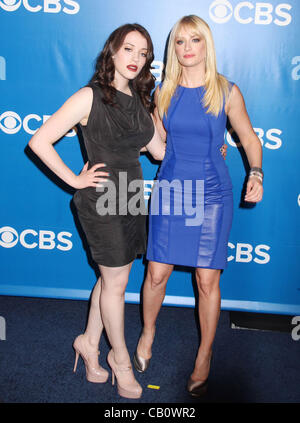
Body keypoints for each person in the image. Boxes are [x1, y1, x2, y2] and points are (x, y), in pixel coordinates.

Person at [28, 23, 167, 400]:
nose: (136, 58)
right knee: (117, 283)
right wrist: (74, 180)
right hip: (102, 198)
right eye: (129, 49)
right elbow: (39, 141)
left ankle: (88, 342)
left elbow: (158, 152)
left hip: (131, 195)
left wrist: (161, 113)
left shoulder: (141, 100)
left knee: (111, 279)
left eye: (144, 53)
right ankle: (120, 360)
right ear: (112, 52)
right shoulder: (89, 96)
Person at [133, 15, 264, 397]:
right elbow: (156, 145)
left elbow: (251, 140)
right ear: (172, 48)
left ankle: (205, 354)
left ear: (207, 45)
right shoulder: (164, 90)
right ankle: (147, 332)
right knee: (156, 271)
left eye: (195, 40)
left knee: (207, 280)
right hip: (172, 187)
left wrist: (255, 173)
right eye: (179, 42)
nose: (187, 48)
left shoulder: (226, 91)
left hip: (211, 192)